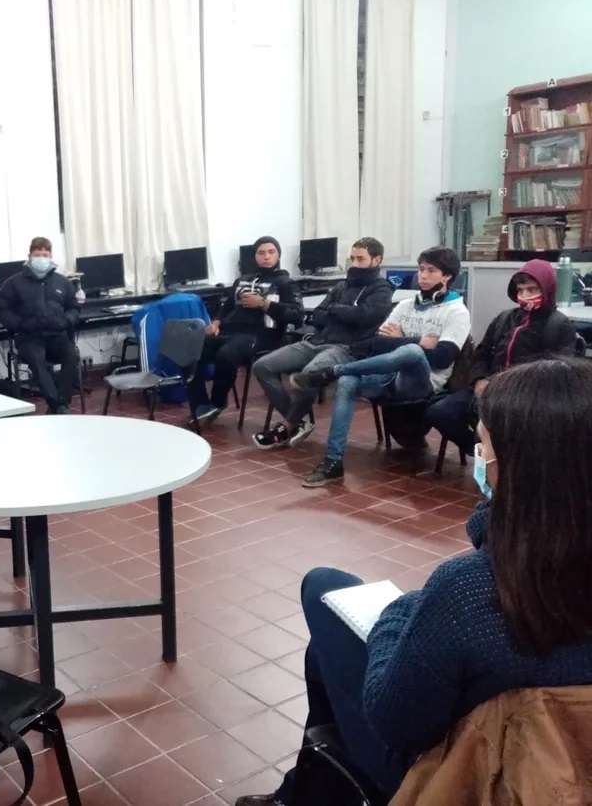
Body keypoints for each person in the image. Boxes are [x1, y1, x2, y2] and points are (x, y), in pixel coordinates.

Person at [235, 358, 592, 806]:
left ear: (515, 467)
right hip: (570, 757)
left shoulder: (471, 589)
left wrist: (397, 614)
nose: (479, 457)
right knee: (321, 653)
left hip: (463, 768)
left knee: (322, 586)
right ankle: (301, 791)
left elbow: (396, 724)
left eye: (483, 445)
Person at [291, 247, 470, 487]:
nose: (423, 275)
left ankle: (333, 371)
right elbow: (377, 344)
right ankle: (333, 462)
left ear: (446, 276)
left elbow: (442, 358)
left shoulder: (457, 312)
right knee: (348, 382)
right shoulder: (406, 305)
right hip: (388, 374)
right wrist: (417, 340)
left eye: (431, 270)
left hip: (423, 382)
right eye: (421, 269)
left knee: (412, 353)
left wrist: (404, 342)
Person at [251, 237, 393, 450]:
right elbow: (317, 315)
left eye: (360, 259)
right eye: (352, 258)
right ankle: (298, 422)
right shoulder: (341, 286)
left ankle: (287, 426)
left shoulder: (382, 289)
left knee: (309, 374)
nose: (354, 263)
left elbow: (365, 317)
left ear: (377, 260)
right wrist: (343, 313)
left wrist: (335, 310)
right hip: (317, 341)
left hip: (347, 348)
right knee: (262, 366)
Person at [423, 258, 576, 456]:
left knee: (506, 422)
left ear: (546, 289)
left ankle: (500, 456)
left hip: (526, 397)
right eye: (520, 290)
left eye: (531, 290)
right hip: (487, 389)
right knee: (438, 412)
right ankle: (480, 451)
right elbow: (482, 353)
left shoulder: (558, 325)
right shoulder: (505, 318)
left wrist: (512, 387)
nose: (524, 296)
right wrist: (479, 380)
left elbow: (557, 371)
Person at [187, 236, 302, 423]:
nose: (266, 257)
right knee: (190, 350)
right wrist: (216, 322)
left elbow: (297, 315)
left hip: (262, 335)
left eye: (271, 252)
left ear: (278, 255)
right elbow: (226, 306)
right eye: (261, 253)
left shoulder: (285, 283)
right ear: (255, 256)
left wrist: (264, 304)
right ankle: (201, 404)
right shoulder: (242, 280)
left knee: (226, 354)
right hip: (230, 332)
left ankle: (217, 403)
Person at [0, 237, 81, 413]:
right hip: (29, 338)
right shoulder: (14, 283)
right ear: (30, 256)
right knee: (37, 359)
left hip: (57, 336)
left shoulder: (62, 282)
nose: (41, 258)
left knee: (71, 355)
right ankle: (58, 406)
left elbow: (74, 307)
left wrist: (66, 320)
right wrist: (21, 324)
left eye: (45, 254)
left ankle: (61, 404)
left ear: (50, 257)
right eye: (37, 254)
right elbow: (1, 310)